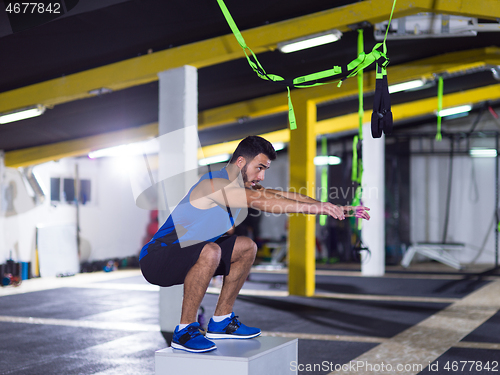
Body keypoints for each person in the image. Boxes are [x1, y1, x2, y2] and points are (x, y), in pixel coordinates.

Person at [139, 136, 370, 353]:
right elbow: (260, 201)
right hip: (157, 258)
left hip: (193, 254)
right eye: (259, 168)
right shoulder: (214, 183)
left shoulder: (244, 187)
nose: (261, 176)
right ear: (241, 162)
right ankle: (185, 332)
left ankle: (221, 321)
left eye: (265, 170)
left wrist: (329, 206)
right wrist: (318, 209)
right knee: (212, 250)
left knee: (246, 247)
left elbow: (282, 196)